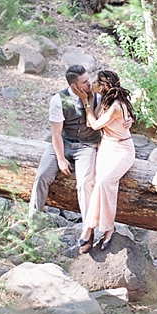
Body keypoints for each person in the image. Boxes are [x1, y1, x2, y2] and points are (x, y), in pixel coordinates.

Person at [28, 65, 101, 224]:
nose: (89, 84)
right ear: (74, 86)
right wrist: (60, 158)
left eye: (88, 79)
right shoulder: (58, 100)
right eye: (85, 82)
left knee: (84, 183)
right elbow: (55, 133)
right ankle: (33, 222)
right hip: (64, 141)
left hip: (87, 145)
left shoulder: (97, 97)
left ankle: (88, 227)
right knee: (42, 176)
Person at [78, 70, 136, 253]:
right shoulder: (104, 101)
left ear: (104, 86)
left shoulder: (117, 106)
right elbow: (92, 123)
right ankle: (99, 227)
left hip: (122, 150)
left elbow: (94, 124)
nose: (92, 83)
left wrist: (87, 106)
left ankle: (96, 228)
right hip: (105, 148)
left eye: (96, 82)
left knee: (105, 182)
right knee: (96, 183)